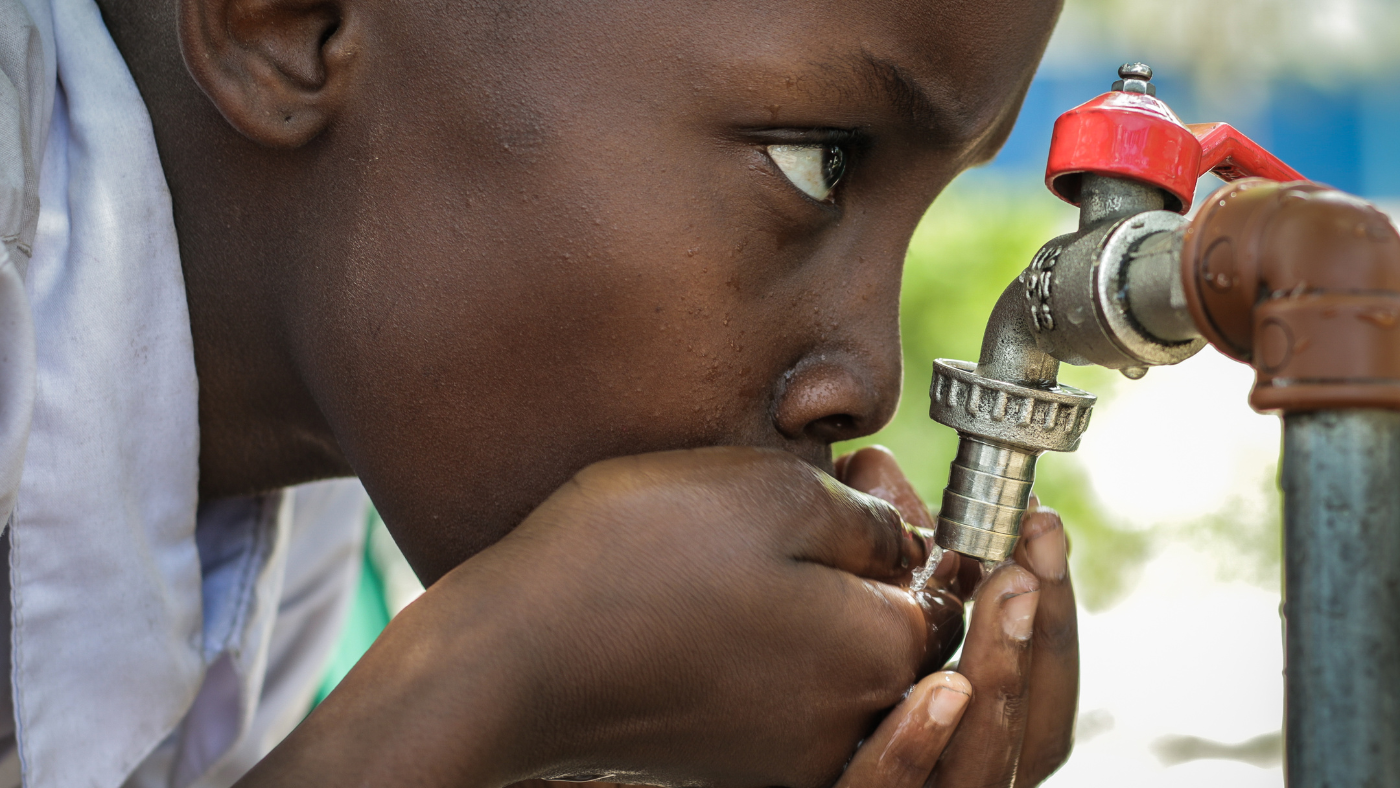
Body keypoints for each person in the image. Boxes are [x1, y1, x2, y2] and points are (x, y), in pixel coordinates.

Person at [0, 0, 1078, 786]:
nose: (869, 383)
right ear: (291, 23)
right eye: (817, 161)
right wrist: (493, 684)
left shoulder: (289, 508)